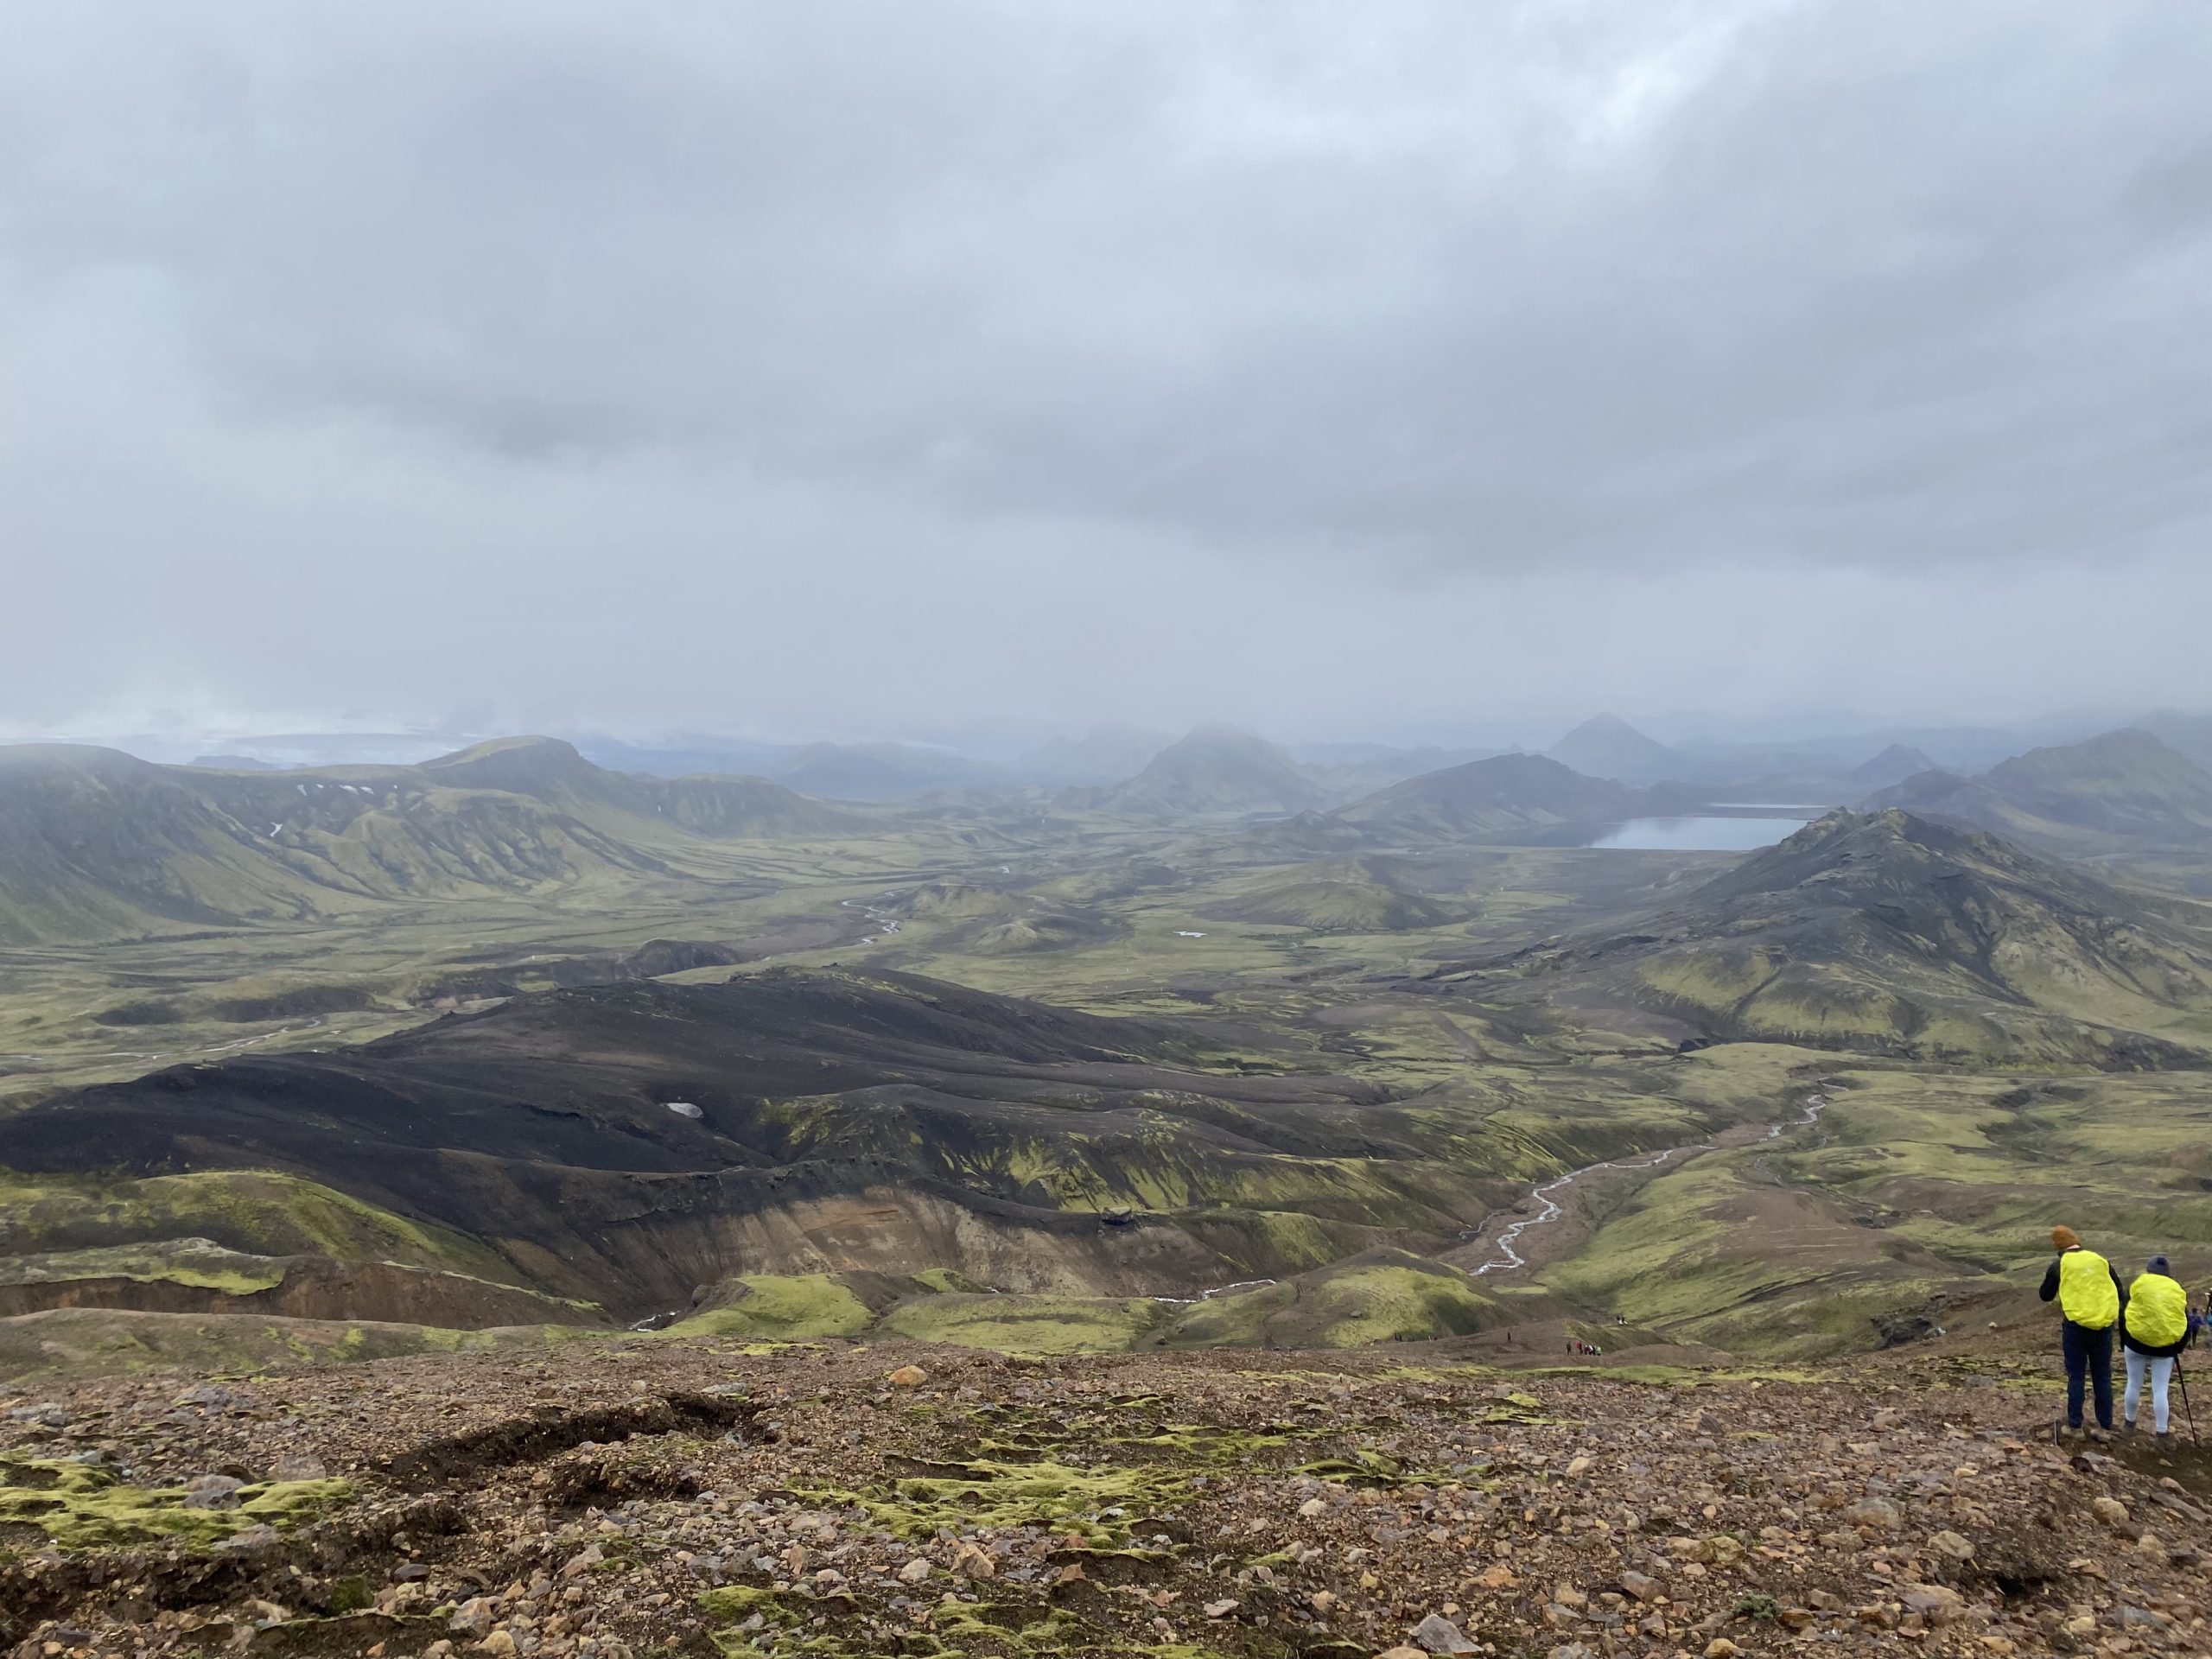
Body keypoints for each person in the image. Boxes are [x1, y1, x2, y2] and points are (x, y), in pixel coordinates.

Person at [2038, 1225, 2126, 1440]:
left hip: (2076, 1326)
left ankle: (2075, 1426)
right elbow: (2119, 1289)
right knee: (2102, 1377)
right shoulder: (2100, 1260)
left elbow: (2045, 1295)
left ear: (2058, 1245)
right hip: (2104, 1327)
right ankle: (2105, 1427)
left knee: (2076, 1376)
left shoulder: (2060, 1264)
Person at [2120, 1254, 2193, 1441]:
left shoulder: (2138, 1285)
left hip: (2135, 1343)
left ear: (2148, 1269)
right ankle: (2161, 1433)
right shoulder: (2176, 1290)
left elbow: (2125, 1313)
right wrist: (2178, 1347)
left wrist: (2124, 1340)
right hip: (2165, 1348)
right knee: (2160, 1390)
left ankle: (2129, 1424)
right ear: (2167, 1273)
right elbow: (2184, 1320)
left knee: (2133, 1384)